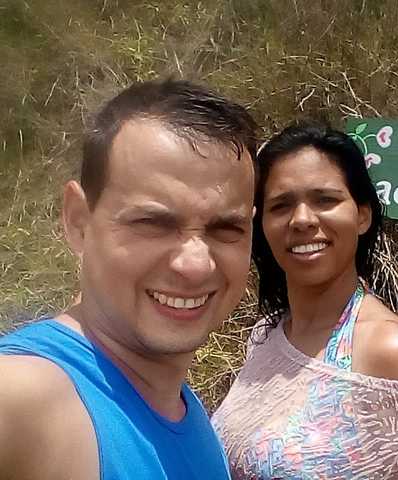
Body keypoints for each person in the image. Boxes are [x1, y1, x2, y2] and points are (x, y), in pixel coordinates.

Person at [0, 79, 257, 480]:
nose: (196, 264)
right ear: (78, 221)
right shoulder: (26, 399)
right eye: (153, 223)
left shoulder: (183, 412)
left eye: (226, 228)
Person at [213, 121, 398, 479]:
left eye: (325, 200)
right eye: (281, 205)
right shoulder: (268, 334)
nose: (302, 220)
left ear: (362, 216)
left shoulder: (390, 353)